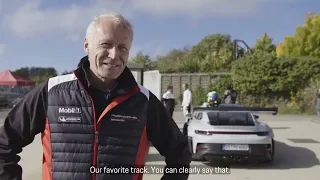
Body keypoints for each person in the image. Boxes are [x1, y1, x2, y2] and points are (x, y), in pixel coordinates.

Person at [0, 12, 191, 180]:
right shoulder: (52, 91)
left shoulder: (144, 101)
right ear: (86, 45)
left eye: (123, 47)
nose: (114, 54)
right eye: (106, 44)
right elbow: (4, 144)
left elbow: (179, 154)